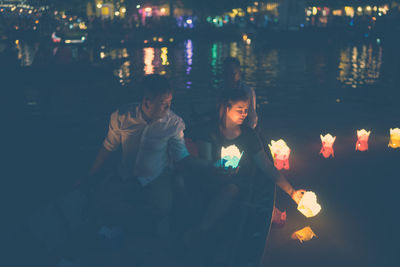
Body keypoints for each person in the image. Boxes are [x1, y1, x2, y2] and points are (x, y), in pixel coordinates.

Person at [84, 74, 198, 266]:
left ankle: (150, 238)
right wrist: (91, 174)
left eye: (169, 102)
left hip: (156, 176)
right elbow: (108, 147)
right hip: (126, 175)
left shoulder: (173, 124)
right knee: (102, 201)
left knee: (162, 208)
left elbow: (181, 156)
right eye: (163, 103)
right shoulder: (121, 116)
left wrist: (206, 169)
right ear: (147, 101)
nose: (168, 108)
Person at [190, 89, 304, 266]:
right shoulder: (209, 132)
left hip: (240, 186)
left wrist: (292, 192)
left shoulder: (249, 135)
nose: (245, 114)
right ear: (227, 108)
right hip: (213, 181)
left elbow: (266, 166)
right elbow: (205, 164)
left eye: (246, 110)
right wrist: (217, 170)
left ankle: (202, 232)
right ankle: (204, 233)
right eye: (240, 109)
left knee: (233, 189)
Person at [222, 57, 258, 129]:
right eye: (226, 74)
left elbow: (252, 118)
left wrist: (246, 131)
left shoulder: (247, 91)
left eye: (233, 73)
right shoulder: (221, 89)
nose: (229, 77)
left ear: (239, 73)